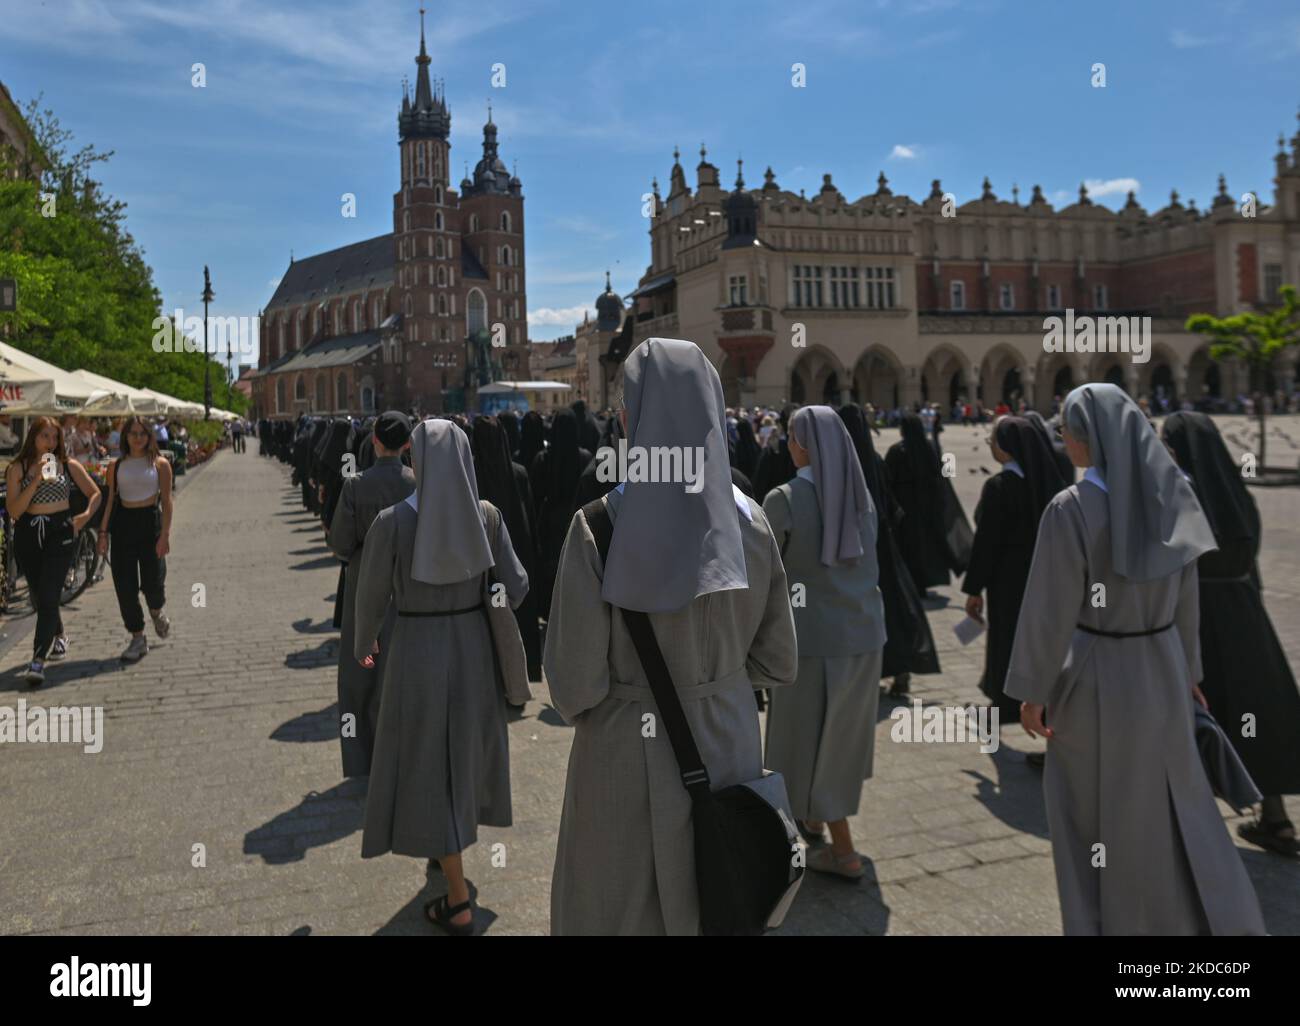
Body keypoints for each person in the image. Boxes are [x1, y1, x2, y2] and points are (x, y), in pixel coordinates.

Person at [544, 338, 798, 935]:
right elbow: (780, 661)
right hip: (730, 747)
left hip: (624, 757)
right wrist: (716, 680)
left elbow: (574, 685)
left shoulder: (598, 526)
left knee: (617, 909)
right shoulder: (753, 522)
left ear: (630, 415)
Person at [1005, 383, 1265, 935]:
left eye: (1069, 430)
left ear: (1089, 437)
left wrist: (1033, 690)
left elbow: (1049, 610)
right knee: (1173, 804)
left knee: (1097, 814)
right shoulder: (1175, 493)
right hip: (1164, 664)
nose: (1065, 440)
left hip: (1098, 673)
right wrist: (1191, 672)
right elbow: (1188, 598)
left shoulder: (1071, 507)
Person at [351, 419, 528, 935]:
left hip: (415, 649)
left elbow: (370, 599)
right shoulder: (488, 516)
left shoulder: (392, 522)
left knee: (429, 763)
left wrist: (365, 647)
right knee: (463, 755)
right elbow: (516, 585)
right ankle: (445, 858)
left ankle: (456, 897)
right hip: (473, 647)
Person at [1162, 411, 1300, 856]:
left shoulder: (1181, 496)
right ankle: (1275, 819)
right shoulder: (1239, 496)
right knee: (1257, 711)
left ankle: (1189, 822)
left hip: (1199, 619)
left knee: (1197, 715)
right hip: (1245, 616)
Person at [763, 405, 885, 880]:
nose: (787, 445)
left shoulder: (785, 498)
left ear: (804, 445)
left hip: (809, 641)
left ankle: (844, 851)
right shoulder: (861, 496)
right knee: (841, 742)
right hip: (863, 635)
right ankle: (813, 819)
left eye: (792, 437)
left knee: (802, 740)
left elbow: (765, 574)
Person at [962, 416, 1066, 733]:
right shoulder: (1050, 481)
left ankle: (1006, 704)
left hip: (1007, 581)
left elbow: (986, 544)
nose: (991, 445)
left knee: (1007, 638)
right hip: (1045, 579)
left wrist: (974, 588)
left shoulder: (999, 487)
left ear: (1006, 449)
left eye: (992, 440)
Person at [326, 411, 416, 778]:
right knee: (403, 668)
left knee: (359, 670)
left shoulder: (356, 484)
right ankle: (405, 754)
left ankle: (364, 758)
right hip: (410, 582)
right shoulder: (419, 482)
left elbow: (340, 543)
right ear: (408, 444)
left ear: (375, 441)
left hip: (364, 580)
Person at [838, 403, 939, 694]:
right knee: (893, 608)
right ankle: (901, 669)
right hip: (884, 545)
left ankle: (867, 672)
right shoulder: (876, 460)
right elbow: (892, 505)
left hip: (852, 550)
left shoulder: (837, 465)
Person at [5, 417, 102, 684]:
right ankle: (59, 633)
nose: (50, 442)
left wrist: (83, 518)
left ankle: (37, 660)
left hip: (60, 531)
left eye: (54, 437)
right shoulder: (17, 468)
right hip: (29, 533)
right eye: (44, 436)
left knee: (49, 594)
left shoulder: (68, 465)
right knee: (40, 596)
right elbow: (14, 510)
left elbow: (95, 493)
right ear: (33, 439)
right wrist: (35, 478)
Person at [471, 414, 541, 681]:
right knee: (516, 619)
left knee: (489, 624)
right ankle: (521, 675)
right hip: (516, 558)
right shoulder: (519, 472)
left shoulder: (470, 475)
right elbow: (530, 521)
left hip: (483, 563)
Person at [97, 415, 173, 663]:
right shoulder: (116, 466)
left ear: (149, 436)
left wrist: (165, 535)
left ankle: (156, 610)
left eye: (142, 433)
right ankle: (137, 637)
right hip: (123, 524)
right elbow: (109, 502)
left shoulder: (160, 464)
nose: (138, 438)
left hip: (150, 522)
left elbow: (168, 502)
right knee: (125, 584)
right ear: (126, 437)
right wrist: (103, 533)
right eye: (133, 433)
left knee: (153, 580)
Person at [529, 408, 589, 619]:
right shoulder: (585, 458)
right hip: (577, 525)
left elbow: (535, 498)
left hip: (549, 530)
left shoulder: (542, 459)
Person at [886, 412, 952, 593]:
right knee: (926, 545)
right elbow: (940, 476)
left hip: (905, 508)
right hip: (927, 506)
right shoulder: (929, 448)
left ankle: (910, 582)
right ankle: (924, 582)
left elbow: (887, 479)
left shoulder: (897, 451)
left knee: (908, 546)